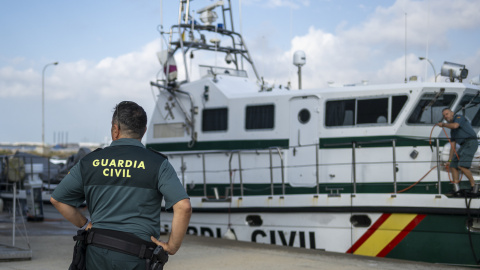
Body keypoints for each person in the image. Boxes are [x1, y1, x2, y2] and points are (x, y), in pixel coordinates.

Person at [50, 101, 192, 269]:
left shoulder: (89, 162)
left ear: (115, 130)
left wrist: (85, 224)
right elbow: (183, 206)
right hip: (138, 256)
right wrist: (172, 246)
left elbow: (57, 199)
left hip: (97, 253)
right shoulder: (157, 163)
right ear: (143, 131)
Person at [437, 108, 479, 193]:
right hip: (464, 145)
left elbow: (455, 125)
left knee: (462, 166)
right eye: (444, 115)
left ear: (452, 113)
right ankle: (456, 188)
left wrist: (444, 125)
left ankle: (474, 186)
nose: (445, 116)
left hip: (471, 142)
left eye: (447, 114)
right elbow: (453, 147)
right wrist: (449, 160)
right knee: (453, 165)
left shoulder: (459, 118)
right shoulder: (453, 132)